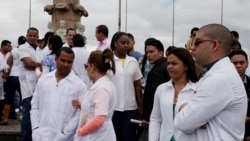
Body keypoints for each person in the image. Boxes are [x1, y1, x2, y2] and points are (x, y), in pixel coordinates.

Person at [174, 24, 247, 141]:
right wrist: (185, 107)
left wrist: (185, 109)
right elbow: (184, 95)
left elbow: (183, 123)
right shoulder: (213, 74)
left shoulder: (219, 79)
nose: (192, 47)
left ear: (214, 45)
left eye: (197, 42)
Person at [30, 47, 88, 141]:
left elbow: (80, 113)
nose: (66, 64)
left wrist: (66, 133)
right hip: (41, 135)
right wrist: (35, 128)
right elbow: (35, 104)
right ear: (56, 59)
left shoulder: (79, 85)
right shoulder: (44, 80)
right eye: (63, 60)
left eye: (69, 62)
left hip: (64, 136)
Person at [149, 48, 198, 141]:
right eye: (168, 63)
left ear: (186, 66)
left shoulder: (197, 90)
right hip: (165, 138)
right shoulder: (161, 89)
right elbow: (155, 119)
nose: (169, 67)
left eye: (174, 63)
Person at [73, 48, 116, 141]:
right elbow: (96, 108)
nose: (86, 69)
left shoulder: (102, 88)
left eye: (86, 66)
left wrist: (80, 132)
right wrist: (82, 105)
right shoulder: (103, 84)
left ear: (92, 67)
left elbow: (99, 119)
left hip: (98, 136)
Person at [110, 32, 143, 141]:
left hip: (130, 107)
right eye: (122, 43)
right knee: (114, 137)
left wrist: (140, 106)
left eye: (127, 43)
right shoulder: (108, 61)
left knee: (129, 137)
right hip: (113, 107)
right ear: (115, 43)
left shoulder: (133, 61)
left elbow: (137, 85)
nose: (126, 45)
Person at [18, 27, 41, 141]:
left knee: (35, 114)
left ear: (37, 37)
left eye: (34, 36)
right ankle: (23, 139)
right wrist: (41, 65)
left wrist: (36, 64)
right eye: (30, 35)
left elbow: (34, 63)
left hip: (37, 85)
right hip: (27, 85)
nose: (32, 37)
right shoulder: (23, 47)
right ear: (27, 36)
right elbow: (28, 63)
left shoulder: (38, 49)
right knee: (28, 113)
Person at [142, 38, 170, 126]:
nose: (148, 55)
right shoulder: (165, 66)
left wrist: (147, 117)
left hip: (157, 116)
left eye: (151, 52)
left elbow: (152, 95)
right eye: (147, 52)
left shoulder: (158, 70)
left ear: (161, 52)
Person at [0, 37, 25, 125]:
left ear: (18, 42)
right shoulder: (28, 51)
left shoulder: (15, 50)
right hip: (23, 76)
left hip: (13, 75)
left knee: (9, 97)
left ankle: (5, 118)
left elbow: (8, 61)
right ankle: (25, 118)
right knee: (24, 97)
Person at [228, 49, 250, 140]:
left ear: (247, 64)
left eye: (242, 62)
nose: (238, 66)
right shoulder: (222, 85)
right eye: (235, 63)